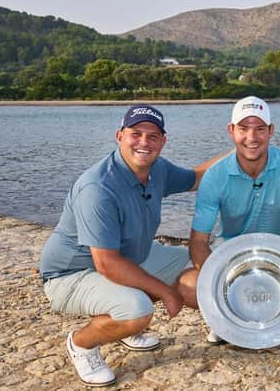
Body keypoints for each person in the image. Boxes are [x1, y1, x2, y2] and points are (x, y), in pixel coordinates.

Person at [39, 105, 222, 387]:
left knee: (204, 277)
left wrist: (243, 148)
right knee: (137, 312)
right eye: (136, 134)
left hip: (132, 257)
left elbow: (197, 177)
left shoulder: (157, 169)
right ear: (119, 136)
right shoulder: (97, 188)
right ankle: (82, 344)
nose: (143, 143)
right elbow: (106, 264)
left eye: (152, 136)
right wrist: (165, 292)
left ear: (163, 141)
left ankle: (122, 323)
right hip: (73, 273)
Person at [180, 95, 280, 348]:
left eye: (260, 129)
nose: (251, 138)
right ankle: (224, 320)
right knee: (189, 285)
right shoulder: (215, 176)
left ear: (271, 131)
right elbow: (199, 241)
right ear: (231, 131)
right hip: (231, 247)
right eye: (243, 129)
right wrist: (215, 276)